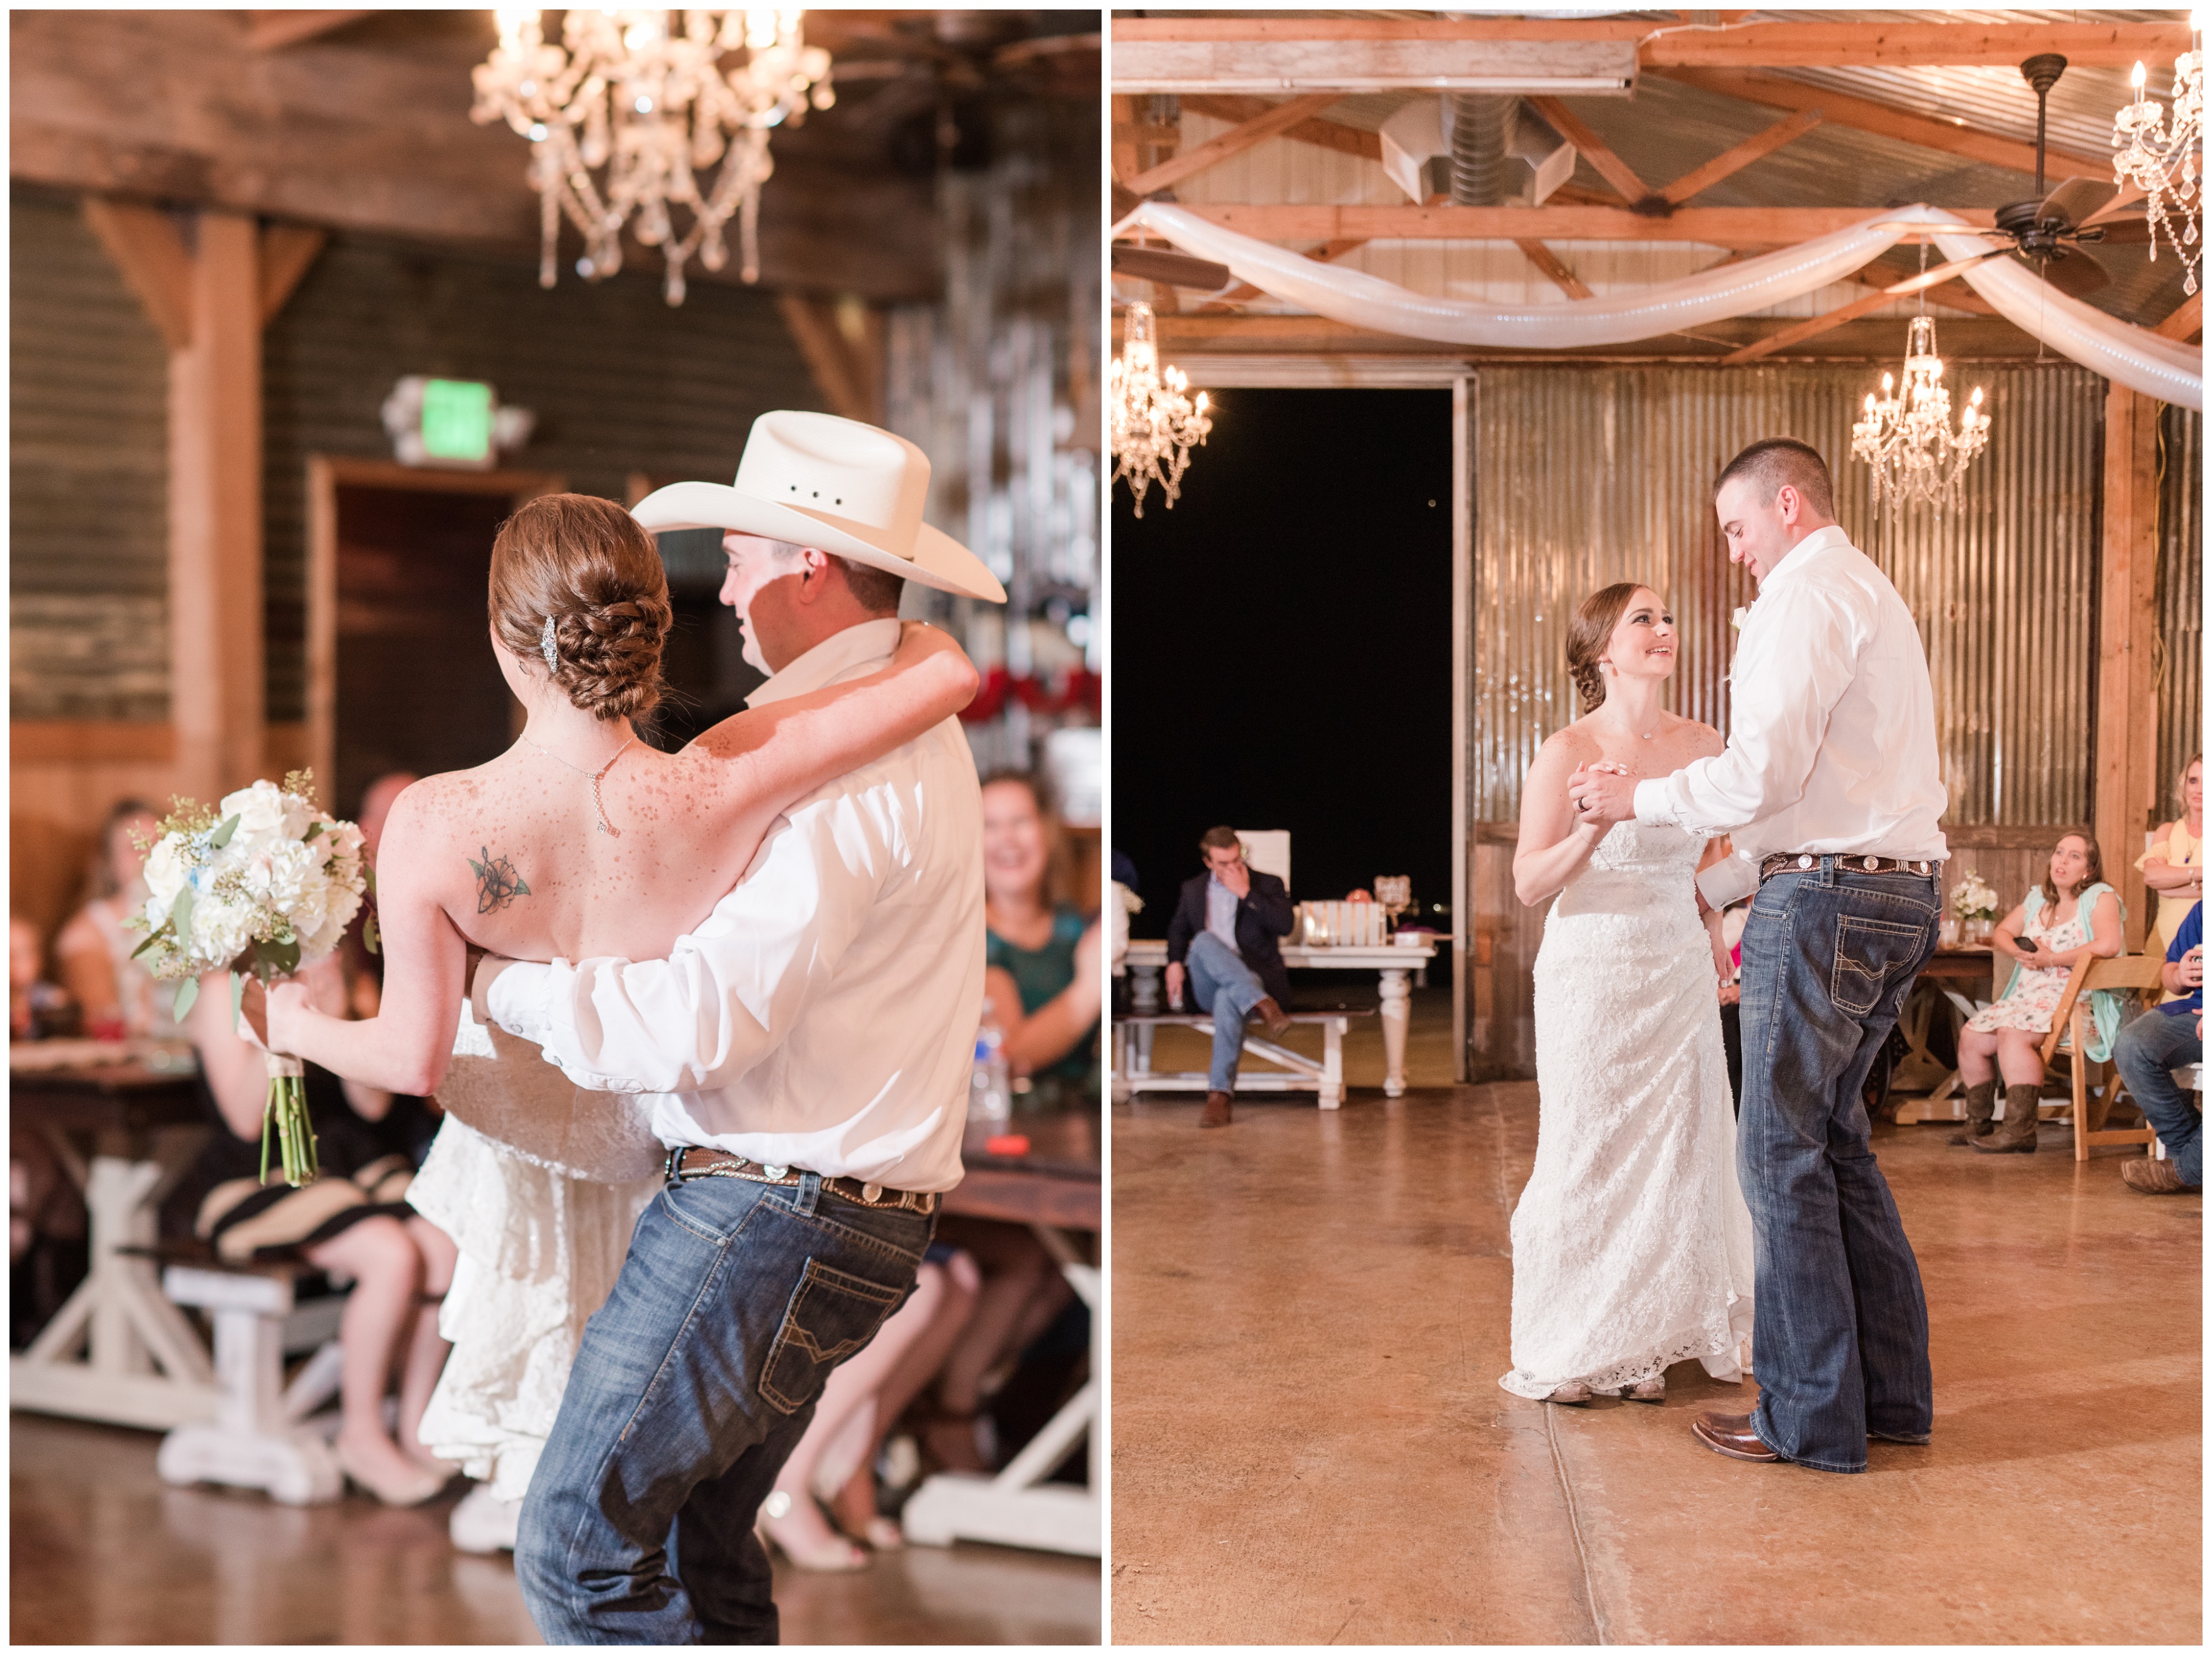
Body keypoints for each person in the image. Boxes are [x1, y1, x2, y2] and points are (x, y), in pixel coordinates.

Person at [271, 411, 1002, 1642]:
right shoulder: (818, 738)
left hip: (770, 1208)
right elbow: (937, 658)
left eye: (746, 551)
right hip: (819, 1208)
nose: (727, 580)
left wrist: (494, 987)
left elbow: (697, 1025)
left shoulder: (837, 766)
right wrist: (936, 648)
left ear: (812, 565)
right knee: (697, 1552)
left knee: (571, 1542)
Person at [1572, 438, 1947, 1475]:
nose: (1735, 552)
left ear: (1785, 504)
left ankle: (1807, 1415)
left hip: (1826, 899)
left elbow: (1761, 776)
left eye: (1737, 528)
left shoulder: (1800, 593)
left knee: (1779, 1154)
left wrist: (1636, 798)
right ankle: (1890, 1398)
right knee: (1836, 1145)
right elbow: (1816, 788)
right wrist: (1723, 884)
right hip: (1899, 890)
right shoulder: (1870, 588)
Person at [1502, 583, 1753, 1407]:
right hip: (1593, 967)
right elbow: (1531, 882)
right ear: (1600, 650)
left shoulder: (1705, 742)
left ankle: (1647, 1341)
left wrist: (1716, 928)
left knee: (1676, 1152)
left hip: (1677, 966)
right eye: (1642, 617)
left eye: (1668, 615)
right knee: (1591, 1148)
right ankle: (1572, 1344)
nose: (1664, 628)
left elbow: (1715, 859)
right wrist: (1589, 829)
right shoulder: (1565, 748)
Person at [169, 953, 460, 1506]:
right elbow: (243, 1118)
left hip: (345, 1163)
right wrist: (285, 1024)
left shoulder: (349, 973)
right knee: (392, 1255)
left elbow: (373, 1106)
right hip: (255, 1171)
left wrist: (340, 1017)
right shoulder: (224, 987)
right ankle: (362, 1432)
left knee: (443, 1245)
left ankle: (418, 1419)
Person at [1954, 833, 2124, 1153]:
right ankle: (1978, 1122)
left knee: (2012, 1034)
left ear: (2089, 869)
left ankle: (2020, 1130)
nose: (2062, 860)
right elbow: (2002, 932)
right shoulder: (2038, 900)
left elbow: (2108, 944)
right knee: (1972, 1036)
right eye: (2059, 852)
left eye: (2074, 856)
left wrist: (2052, 959)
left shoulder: (2101, 897)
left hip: (2075, 1002)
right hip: (2027, 997)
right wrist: (2020, 954)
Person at [1163, 826, 1296, 1128]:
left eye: (1237, 859)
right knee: (1205, 941)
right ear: (1208, 862)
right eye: (1224, 863)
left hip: (1255, 977)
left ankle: (1219, 1097)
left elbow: (1285, 925)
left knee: (1228, 997)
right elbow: (1177, 930)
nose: (1233, 867)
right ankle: (1260, 1003)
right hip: (1209, 980)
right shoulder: (1193, 889)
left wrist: (1247, 894)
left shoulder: (1267, 884)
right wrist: (1173, 963)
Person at [981, 771, 1102, 1093]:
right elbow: (1007, 1057)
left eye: (1020, 821)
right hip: (1010, 1130)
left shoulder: (1076, 926)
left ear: (1046, 831)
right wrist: (1090, 989)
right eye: (989, 825)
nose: (1007, 839)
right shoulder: (970, 942)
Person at [54, 800, 181, 1041]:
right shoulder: (86, 933)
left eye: (157, 845)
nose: (148, 857)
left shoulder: (194, 917)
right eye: (135, 848)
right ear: (109, 862)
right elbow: (102, 1018)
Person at [2111, 900, 2203, 1194]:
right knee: (2132, 1044)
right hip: (2196, 1011)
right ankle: (2187, 1153)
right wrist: (2179, 975)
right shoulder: (2205, 909)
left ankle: (2187, 1169)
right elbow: (2170, 970)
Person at [2137, 755, 2202, 1002]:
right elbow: (2151, 876)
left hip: (2199, 933)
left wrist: (2170, 885)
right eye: (2193, 780)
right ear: (2183, 785)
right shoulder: (2167, 830)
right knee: (2156, 1008)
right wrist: (2199, 874)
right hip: (2164, 934)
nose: (2198, 789)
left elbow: (2162, 884)